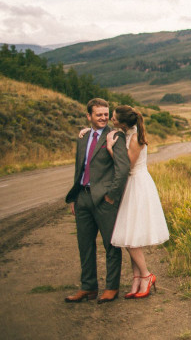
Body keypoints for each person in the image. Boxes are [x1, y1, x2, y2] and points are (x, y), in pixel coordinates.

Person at [80, 105, 170, 299]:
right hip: (130, 184)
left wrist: (111, 149)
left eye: (113, 117)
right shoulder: (126, 132)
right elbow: (105, 132)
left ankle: (146, 275)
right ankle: (137, 280)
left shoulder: (136, 138)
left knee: (130, 238)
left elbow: (127, 164)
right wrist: (89, 131)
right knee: (130, 234)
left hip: (137, 184)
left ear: (122, 122)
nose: (111, 120)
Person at [64, 98, 130, 304]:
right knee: (84, 244)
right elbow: (79, 168)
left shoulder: (115, 136)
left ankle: (111, 287)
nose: (103, 118)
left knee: (111, 245)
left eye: (105, 114)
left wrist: (111, 196)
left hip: (104, 200)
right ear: (89, 116)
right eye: (98, 114)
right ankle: (88, 287)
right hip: (82, 196)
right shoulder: (83, 137)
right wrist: (74, 197)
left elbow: (123, 168)